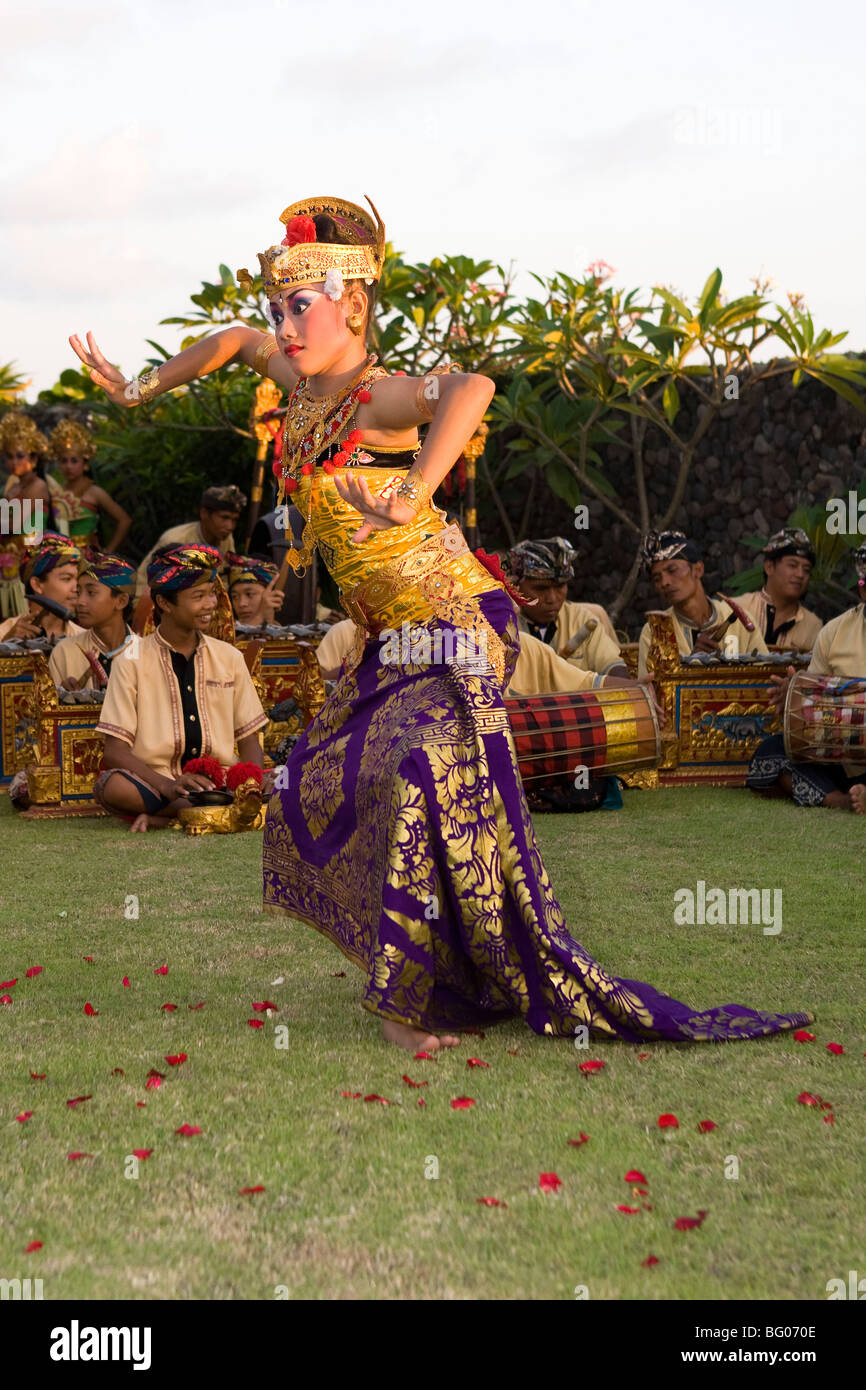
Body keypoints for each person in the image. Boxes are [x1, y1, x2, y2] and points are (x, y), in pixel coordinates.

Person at [72, 193, 812, 1045]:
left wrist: (415, 489)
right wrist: (140, 386)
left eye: (300, 305)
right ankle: (462, 967)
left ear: (351, 304)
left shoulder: (376, 396)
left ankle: (406, 999)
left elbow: (471, 385)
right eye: (280, 306)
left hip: (460, 615)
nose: (284, 324)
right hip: (393, 635)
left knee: (421, 770)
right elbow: (234, 341)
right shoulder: (303, 392)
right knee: (323, 773)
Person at [93, 543, 267, 831]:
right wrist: (168, 785)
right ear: (165, 604)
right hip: (158, 784)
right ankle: (209, 813)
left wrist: (249, 786)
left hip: (221, 785)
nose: (211, 603)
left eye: (211, 593)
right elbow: (114, 751)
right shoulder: (130, 661)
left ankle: (177, 816)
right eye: (198, 596)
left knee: (288, 779)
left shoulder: (230, 658)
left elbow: (250, 741)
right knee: (112, 787)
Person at [746, 542, 866, 811]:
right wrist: (796, 696)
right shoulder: (834, 632)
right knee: (772, 753)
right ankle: (841, 800)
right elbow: (815, 703)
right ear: (863, 588)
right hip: (845, 760)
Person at [637, 530, 768, 679]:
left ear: (698, 570)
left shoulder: (738, 620)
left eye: (672, 570)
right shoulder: (654, 632)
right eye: (657, 578)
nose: (664, 582)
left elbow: (766, 677)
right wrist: (690, 667)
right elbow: (648, 693)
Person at [508, 537, 627, 677]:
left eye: (560, 586)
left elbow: (612, 664)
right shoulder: (501, 625)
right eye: (541, 589)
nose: (552, 599)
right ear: (516, 588)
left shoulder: (582, 619)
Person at [133, 484, 246, 597]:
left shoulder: (226, 538)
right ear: (204, 514)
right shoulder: (176, 540)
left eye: (234, 520)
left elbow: (226, 578)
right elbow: (144, 585)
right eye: (224, 517)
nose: (230, 526)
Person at [48, 550, 139, 689]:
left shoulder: (146, 655)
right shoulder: (64, 653)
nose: (80, 601)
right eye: (79, 592)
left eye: (91, 593)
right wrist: (65, 700)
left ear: (121, 601)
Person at [46, 419, 131, 552]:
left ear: (85, 464)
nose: (68, 466)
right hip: (59, 556)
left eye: (74, 461)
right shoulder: (56, 492)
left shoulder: (94, 492)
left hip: (87, 559)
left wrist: (108, 550)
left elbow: (124, 520)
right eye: (64, 461)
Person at [0, 412, 53, 621]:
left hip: (30, 560)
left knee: (27, 618)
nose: (14, 462)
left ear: (34, 458)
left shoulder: (37, 486)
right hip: (9, 562)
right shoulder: (13, 485)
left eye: (20, 456)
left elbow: (12, 526)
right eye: (9, 456)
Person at [738, 527, 823, 652]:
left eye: (806, 570)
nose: (800, 574)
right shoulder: (739, 609)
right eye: (792, 565)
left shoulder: (813, 626)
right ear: (769, 567)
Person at [0, 532, 85, 642]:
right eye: (66, 579)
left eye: (77, 580)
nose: (76, 588)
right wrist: (6, 646)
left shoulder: (83, 639)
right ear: (37, 585)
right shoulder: (5, 632)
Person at [224, 552, 284, 626]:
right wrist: (260, 617)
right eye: (235, 596)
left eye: (249, 594)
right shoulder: (224, 633)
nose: (241, 604)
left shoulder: (287, 635)